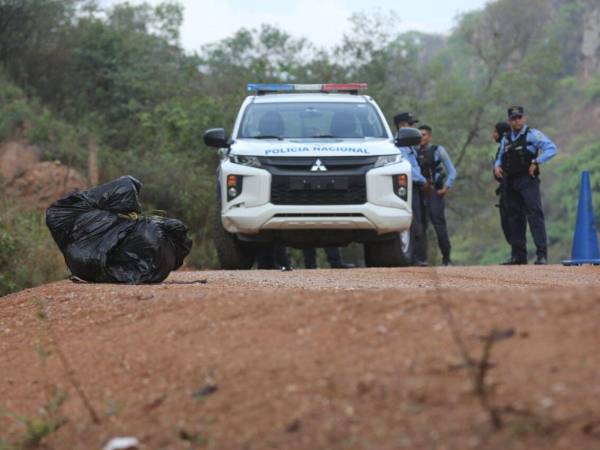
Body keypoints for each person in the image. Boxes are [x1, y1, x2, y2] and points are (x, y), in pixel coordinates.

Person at [494, 106, 558, 265]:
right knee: (514, 218)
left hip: (527, 181)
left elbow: (552, 149)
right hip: (511, 182)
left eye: (519, 118)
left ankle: (541, 255)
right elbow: (500, 157)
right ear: (509, 121)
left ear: (524, 119)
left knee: (535, 215)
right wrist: (497, 166)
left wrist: (537, 161)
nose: (516, 121)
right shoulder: (506, 138)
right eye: (513, 119)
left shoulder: (532, 135)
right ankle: (518, 256)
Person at [416, 125, 457, 266]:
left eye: (424, 135)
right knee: (419, 226)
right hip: (419, 192)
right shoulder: (413, 152)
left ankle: (447, 258)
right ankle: (420, 259)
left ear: (430, 136)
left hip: (435, 191)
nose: (422, 138)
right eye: (419, 135)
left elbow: (452, 171)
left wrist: (446, 187)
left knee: (439, 226)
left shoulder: (438, 151)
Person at [393, 112, 429, 266]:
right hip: (408, 187)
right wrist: (423, 180)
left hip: (416, 186)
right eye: (410, 124)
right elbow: (408, 168)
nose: (414, 128)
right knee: (413, 223)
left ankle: (418, 257)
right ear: (402, 127)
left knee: (420, 222)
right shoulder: (399, 145)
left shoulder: (409, 145)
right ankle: (414, 258)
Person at [493, 122, 526, 263]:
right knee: (507, 223)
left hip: (512, 190)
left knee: (514, 222)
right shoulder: (502, 149)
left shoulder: (509, 148)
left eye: (495, 132)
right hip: (505, 190)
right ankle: (515, 254)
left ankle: (519, 255)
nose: (493, 135)